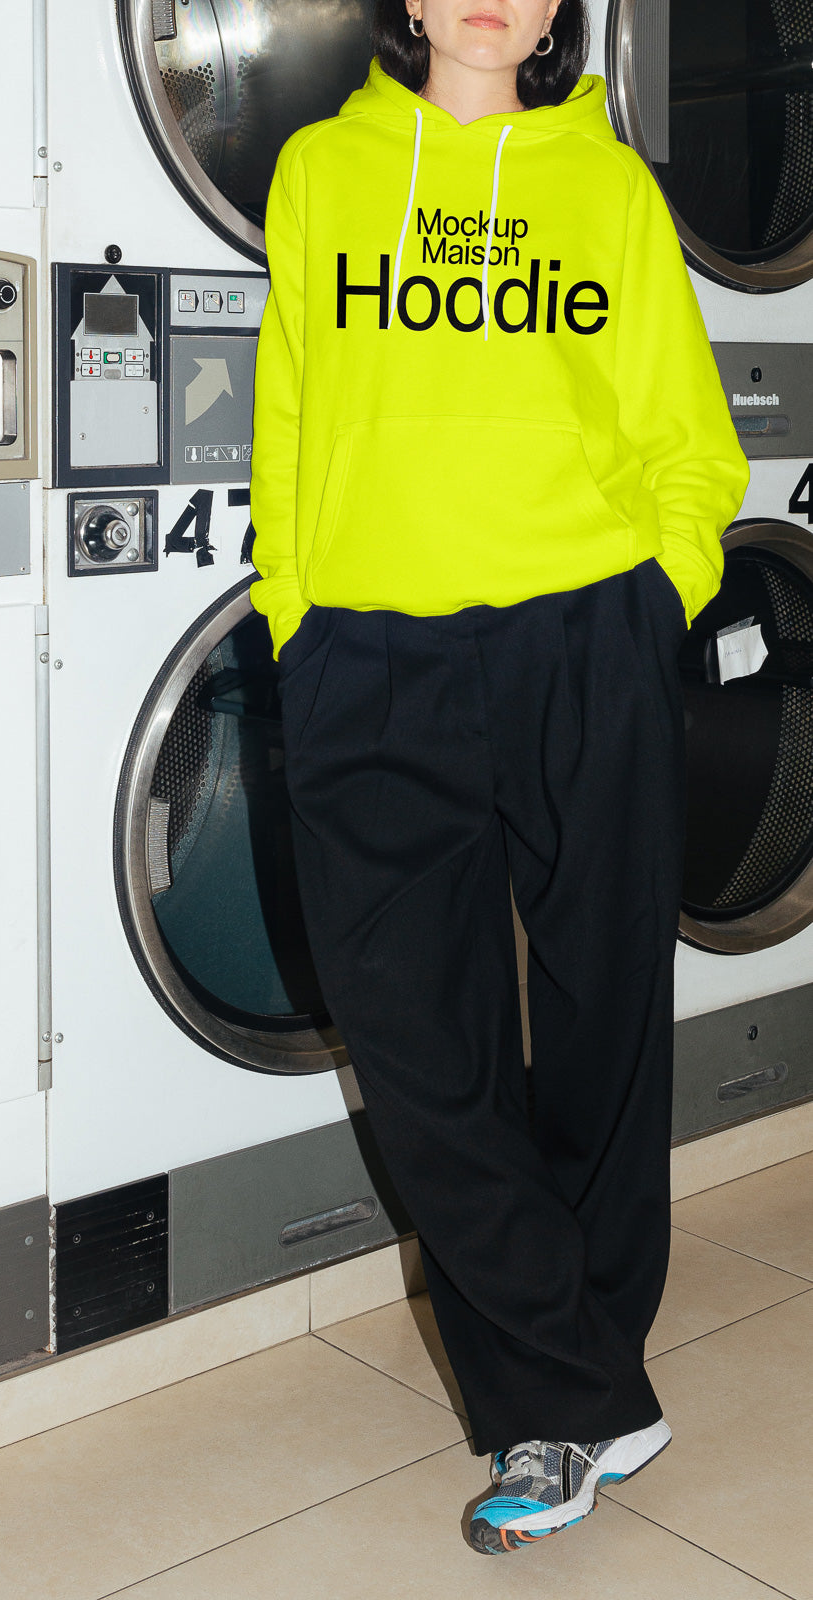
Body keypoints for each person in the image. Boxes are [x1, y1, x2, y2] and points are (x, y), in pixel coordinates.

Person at [249, 0, 749, 1558]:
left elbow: (684, 424)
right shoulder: (323, 177)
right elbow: (290, 405)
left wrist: (657, 584)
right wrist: (294, 600)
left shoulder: (606, 187)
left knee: (606, 1012)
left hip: (578, 629)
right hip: (369, 646)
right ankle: (589, 1378)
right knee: (411, 1035)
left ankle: (554, 1412)